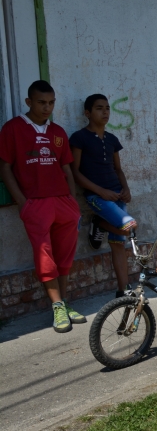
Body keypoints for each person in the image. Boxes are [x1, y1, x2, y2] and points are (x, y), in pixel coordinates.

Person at [0, 80, 84, 333]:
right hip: (35, 203)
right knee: (44, 255)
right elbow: (4, 167)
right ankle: (56, 306)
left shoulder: (57, 131)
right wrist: (23, 203)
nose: (47, 107)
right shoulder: (13, 128)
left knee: (65, 256)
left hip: (63, 203)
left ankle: (64, 300)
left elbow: (66, 167)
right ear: (28, 102)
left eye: (51, 103)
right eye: (41, 102)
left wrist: (72, 200)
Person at [69, 94, 137, 298]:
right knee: (130, 227)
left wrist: (126, 189)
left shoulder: (112, 140)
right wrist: (100, 192)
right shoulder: (79, 138)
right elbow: (75, 172)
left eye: (107, 108)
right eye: (99, 108)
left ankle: (123, 291)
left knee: (118, 245)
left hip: (117, 196)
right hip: (97, 198)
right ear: (87, 113)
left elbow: (118, 169)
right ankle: (99, 223)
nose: (105, 111)